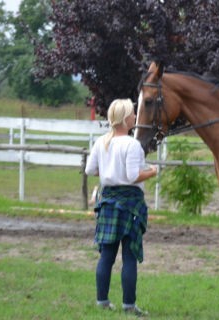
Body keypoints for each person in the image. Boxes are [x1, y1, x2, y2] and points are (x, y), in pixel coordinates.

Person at [85, 99, 158, 317]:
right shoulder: (132, 144)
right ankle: (129, 306)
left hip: (108, 201)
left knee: (106, 255)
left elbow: (90, 170)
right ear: (126, 118)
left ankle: (102, 302)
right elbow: (132, 176)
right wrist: (152, 171)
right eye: (133, 114)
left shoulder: (102, 142)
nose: (136, 117)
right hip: (130, 203)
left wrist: (109, 173)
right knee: (129, 256)